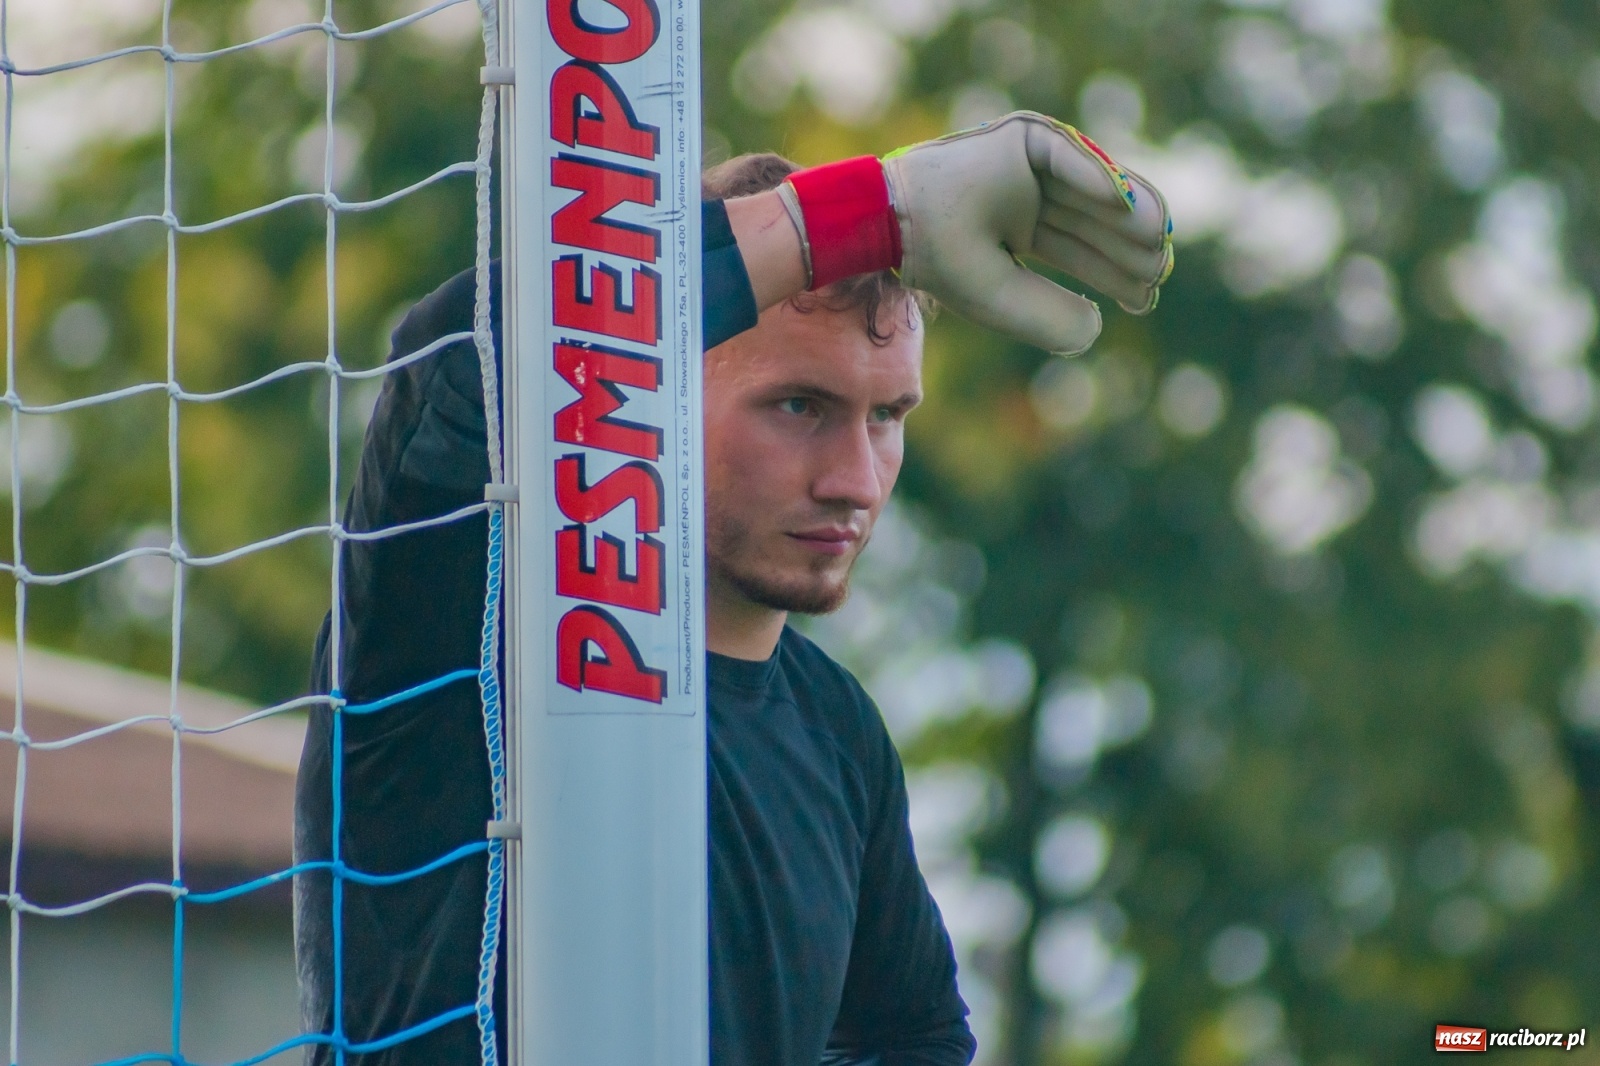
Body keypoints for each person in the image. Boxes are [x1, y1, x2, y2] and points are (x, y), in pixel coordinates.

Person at [294, 113, 1173, 1066]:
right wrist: (875, 213)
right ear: (645, 390)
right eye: (800, 407)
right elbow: (457, 363)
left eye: (886, 416)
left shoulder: (835, 727)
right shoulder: (469, 628)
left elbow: (913, 1035)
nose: (857, 479)